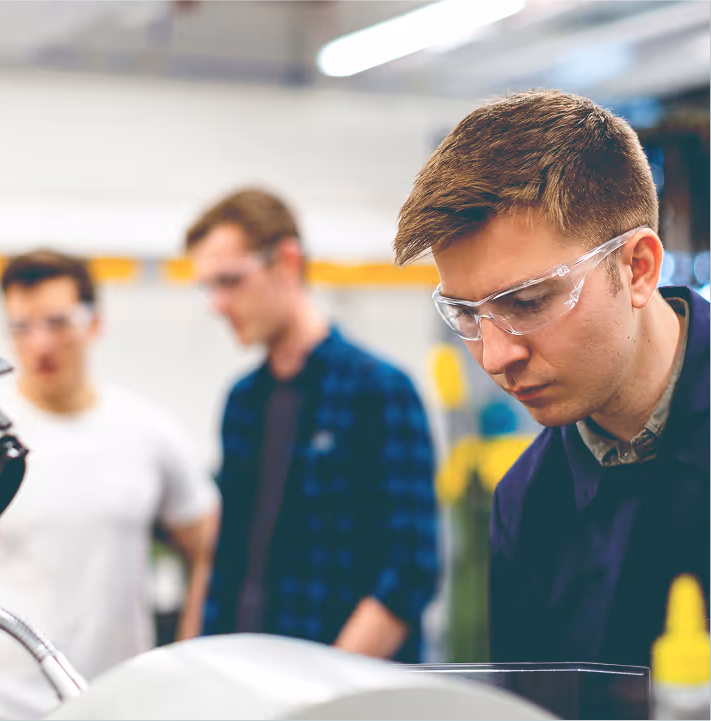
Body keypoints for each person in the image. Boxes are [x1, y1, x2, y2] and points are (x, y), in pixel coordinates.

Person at [393, 89, 710, 667]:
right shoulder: (527, 501)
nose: (493, 357)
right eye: (467, 314)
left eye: (530, 301)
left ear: (637, 269)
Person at [0, 250, 221, 720]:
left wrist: (185, 672)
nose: (40, 343)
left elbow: (210, 550)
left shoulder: (148, 434)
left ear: (94, 323)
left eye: (58, 323)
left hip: (117, 707)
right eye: (22, 326)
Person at [183, 188, 439, 663]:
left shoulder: (379, 391)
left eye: (230, 281)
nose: (218, 303)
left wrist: (324, 693)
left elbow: (410, 571)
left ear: (285, 261)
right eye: (209, 287)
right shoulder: (243, 402)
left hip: (348, 694)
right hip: (250, 680)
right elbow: (228, 563)